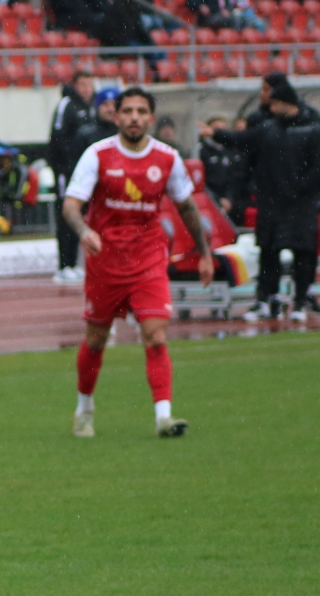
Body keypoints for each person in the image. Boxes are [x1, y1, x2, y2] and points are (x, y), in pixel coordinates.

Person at [62, 87, 214, 439]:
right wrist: (84, 230)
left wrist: (205, 253)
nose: (134, 117)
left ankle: (164, 417)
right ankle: (84, 409)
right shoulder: (97, 155)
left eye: (141, 111)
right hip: (105, 261)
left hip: (148, 258)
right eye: (127, 111)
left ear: (150, 118)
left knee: (155, 335)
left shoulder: (167, 158)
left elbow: (187, 206)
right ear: (116, 117)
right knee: (96, 339)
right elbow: (71, 204)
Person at [204, 75, 320, 322]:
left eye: (276, 104)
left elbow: (317, 168)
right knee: (268, 252)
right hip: (272, 202)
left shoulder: (312, 128)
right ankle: (265, 299)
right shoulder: (268, 129)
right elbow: (242, 139)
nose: (272, 109)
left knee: (303, 253)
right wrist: (217, 134)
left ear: (287, 103)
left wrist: (301, 188)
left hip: (301, 203)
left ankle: (300, 301)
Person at [48, 70, 99, 284]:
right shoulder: (66, 105)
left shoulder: (92, 107)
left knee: (82, 215)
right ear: (75, 86)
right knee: (66, 214)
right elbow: (57, 138)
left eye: (89, 84)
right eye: (83, 85)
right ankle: (64, 265)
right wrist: (66, 166)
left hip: (84, 173)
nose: (86, 89)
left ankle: (74, 263)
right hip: (66, 172)